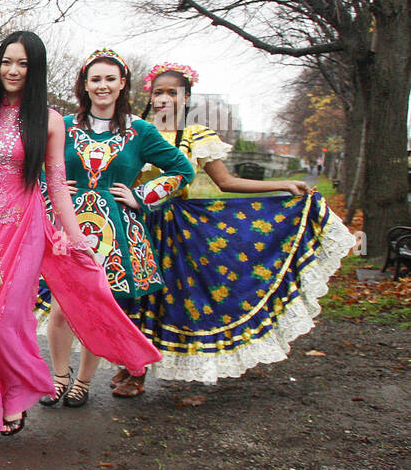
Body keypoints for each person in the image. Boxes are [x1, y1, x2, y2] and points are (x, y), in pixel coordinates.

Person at [0, 33, 161, 437]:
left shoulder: (50, 121)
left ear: (35, 71)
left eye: (22, 64)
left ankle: (12, 401)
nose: (12, 71)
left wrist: (75, 237)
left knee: (10, 317)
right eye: (6, 62)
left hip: (24, 228)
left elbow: (55, 183)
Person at [110, 62, 355, 390]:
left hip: (176, 229)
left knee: (164, 298)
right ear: (149, 96)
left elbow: (226, 182)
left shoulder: (195, 136)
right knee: (127, 296)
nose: (164, 99)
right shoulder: (133, 130)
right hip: (133, 223)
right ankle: (129, 363)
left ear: (186, 99)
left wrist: (281, 185)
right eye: (158, 92)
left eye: (172, 93)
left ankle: (138, 373)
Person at [40, 49, 194, 407]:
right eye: (96, 79)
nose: (103, 86)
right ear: (85, 84)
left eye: (110, 79)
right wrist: (52, 187)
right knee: (63, 306)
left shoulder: (140, 132)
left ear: (122, 84)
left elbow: (182, 169)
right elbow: (30, 163)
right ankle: (59, 377)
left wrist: (142, 195)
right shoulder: (61, 125)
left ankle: (83, 381)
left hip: (115, 232)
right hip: (69, 226)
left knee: (97, 307)